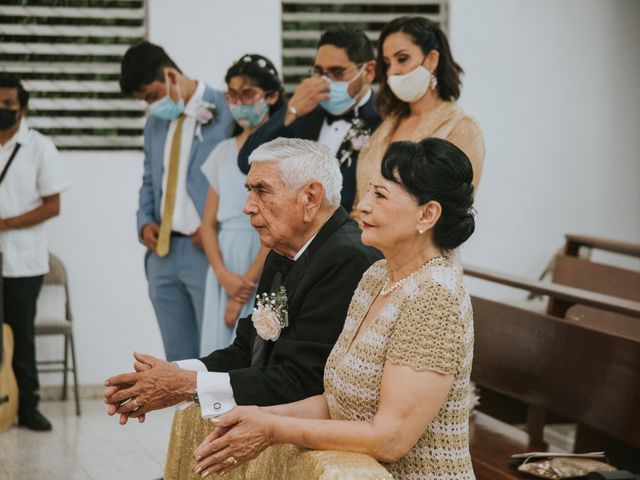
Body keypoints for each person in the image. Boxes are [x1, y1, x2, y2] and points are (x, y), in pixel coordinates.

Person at [190, 138, 477, 480]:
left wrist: (272, 429)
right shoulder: (376, 277)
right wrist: (257, 415)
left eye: (380, 196)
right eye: (368, 192)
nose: (363, 206)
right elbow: (335, 401)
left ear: (427, 214)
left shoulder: (435, 298)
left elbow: (390, 439)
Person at [103, 138, 381, 424]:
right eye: (249, 190)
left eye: (262, 191)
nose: (247, 207)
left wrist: (186, 385)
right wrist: (175, 372)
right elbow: (248, 349)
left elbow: (303, 380)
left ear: (310, 198)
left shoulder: (348, 259)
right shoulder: (283, 250)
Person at [119, 41, 234, 361]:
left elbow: (239, 179)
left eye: (152, 95)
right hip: (163, 254)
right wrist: (143, 224)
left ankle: (216, 414)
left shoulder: (225, 110)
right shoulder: (155, 123)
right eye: (144, 100)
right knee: (177, 359)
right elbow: (149, 181)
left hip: (206, 250)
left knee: (214, 352)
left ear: (170, 74)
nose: (151, 105)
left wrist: (215, 229)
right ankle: (184, 413)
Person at [237, 26, 381, 212]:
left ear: (368, 71)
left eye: (337, 72)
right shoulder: (304, 114)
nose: (325, 82)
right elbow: (246, 162)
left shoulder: (384, 120)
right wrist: (291, 110)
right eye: (320, 72)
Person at [353, 16, 485, 219]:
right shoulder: (386, 126)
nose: (392, 71)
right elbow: (360, 201)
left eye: (402, 58)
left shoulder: (460, 128)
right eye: (387, 63)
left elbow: (453, 212)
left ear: (432, 60)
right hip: (366, 246)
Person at [199, 54, 283, 354]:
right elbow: (207, 224)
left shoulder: (279, 152)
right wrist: (222, 274)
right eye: (232, 95)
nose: (238, 102)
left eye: (247, 94)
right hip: (224, 263)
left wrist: (243, 288)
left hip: (262, 255)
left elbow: (276, 222)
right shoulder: (221, 152)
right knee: (217, 348)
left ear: (271, 96)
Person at [0, 74, 71, 431]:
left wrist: (7, 224)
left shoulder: (40, 147)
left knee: (20, 337)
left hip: (21, 262)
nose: (2, 109)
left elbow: (52, 206)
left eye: (8, 104)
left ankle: (28, 406)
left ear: (22, 108)